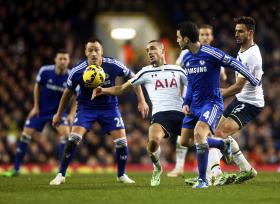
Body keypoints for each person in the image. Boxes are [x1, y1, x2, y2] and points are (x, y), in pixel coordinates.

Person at [49, 38, 149, 185]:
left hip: (109, 108)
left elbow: (133, 78)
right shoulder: (77, 70)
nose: (94, 53)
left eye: (97, 50)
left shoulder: (112, 64)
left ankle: (121, 175)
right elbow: (67, 93)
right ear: (85, 52)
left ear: (102, 51)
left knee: (122, 141)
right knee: (74, 138)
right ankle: (61, 174)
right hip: (86, 108)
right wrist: (58, 113)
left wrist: (141, 100)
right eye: (90, 50)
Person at [176, 21, 260, 188]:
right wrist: (186, 102)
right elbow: (191, 83)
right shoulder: (186, 58)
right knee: (185, 141)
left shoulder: (210, 53)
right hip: (195, 105)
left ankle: (203, 180)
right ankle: (223, 144)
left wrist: (252, 79)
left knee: (200, 133)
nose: (177, 41)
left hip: (212, 103)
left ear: (186, 39)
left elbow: (233, 63)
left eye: (178, 38)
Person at [92, 40, 187, 186]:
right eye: (148, 50)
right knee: (153, 142)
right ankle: (157, 167)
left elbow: (193, 89)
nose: (149, 52)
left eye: (153, 49)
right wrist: (103, 90)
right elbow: (121, 88)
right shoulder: (145, 72)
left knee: (201, 140)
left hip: (180, 113)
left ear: (163, 51)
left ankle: (223, 147)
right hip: (160, 115)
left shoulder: (178, 70)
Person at [2, 50, 76, 177]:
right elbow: (37, 87)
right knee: (25, 135)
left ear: (68, 61)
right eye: (61, 58)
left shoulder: (71, 76)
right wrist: (35, 107)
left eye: (65, 59)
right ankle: (16, 169)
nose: (63, 61)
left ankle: (63, 169)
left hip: (59, 113)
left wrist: (71, 114)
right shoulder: (45, 71)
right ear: (55, 59)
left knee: (67, 136)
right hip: (41, 111)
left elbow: (76, 96)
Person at [168, 24, 228, 179]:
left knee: (201, 133)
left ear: (212, 37)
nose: (205, 37)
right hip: (189, 100)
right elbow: (177, 73)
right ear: (197, 36)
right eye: (203, 34)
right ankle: (182, 167)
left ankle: (212, 172)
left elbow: (223, 76)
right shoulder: (185, 55)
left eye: (208, 34)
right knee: (185, 139)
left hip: (209, 101)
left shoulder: (213, 55)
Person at [213, 16, 263, 185]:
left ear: (250, 32)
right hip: (241, 99)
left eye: (240, 31)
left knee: (220, 134)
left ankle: (215, 174)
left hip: (250, 102)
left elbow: (239, 86)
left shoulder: (252, 56)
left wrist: (219, 94)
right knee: (217, 132)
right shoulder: (242, 51)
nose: (236, 34)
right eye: (235, 31)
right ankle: (247, 170)